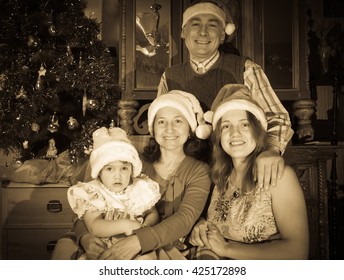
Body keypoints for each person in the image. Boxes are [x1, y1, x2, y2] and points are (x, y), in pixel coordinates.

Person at [51, 91, 212, 260]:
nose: (169, 129)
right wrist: (85, 237)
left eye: (178, 121)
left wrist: (138, 241)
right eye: (161, 122)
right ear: (153, 128)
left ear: (190, 129)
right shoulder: (130, 161)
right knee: (64, 248)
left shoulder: (199, 171)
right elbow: (88, 205)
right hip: (107, 231)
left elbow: (184, 218)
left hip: (158, 240)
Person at [157, 0, 294, 189]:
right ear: (183, 32)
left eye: (212, 25)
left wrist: (271, 149)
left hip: (237, 177)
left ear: (222, 35)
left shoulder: (246, 69)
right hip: (187, 181)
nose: (203, 32)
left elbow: (277, 117)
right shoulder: (169, 77)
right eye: (195, 24)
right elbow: (160, 129)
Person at [188, 84, 309, 260]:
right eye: (226, 126)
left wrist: (227, 249)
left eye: (244, 124)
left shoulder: (280, 176)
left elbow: (298, 252)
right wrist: (202, 226)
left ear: (258, 130)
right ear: (219, 136)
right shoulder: (219, 176)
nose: (234, 133)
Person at [66, 127, 161, 259]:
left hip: (137, 245)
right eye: (109, 169)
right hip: (108, 247)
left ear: (131, 170)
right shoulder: (94, 192)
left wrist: (146, 226)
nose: (118, 176)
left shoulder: (139, 188)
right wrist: (125, 225)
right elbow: (94, 226)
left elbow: (152, 212)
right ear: (99, 172)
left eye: (124, 168)